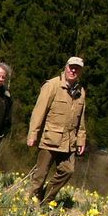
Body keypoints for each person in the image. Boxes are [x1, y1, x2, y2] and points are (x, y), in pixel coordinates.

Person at [27, 56, 88, 205]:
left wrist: (81, 139)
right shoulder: (52, 86)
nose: (73, 70)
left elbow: (81, 119)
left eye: (77, 68)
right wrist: (33, 134)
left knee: (68, 170)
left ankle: (47, 199)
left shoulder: (81, 91)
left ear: (80, 72)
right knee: (40, 174)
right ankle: (30, 202)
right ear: (65, 67)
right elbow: (38, 112)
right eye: (71, 67)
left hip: (69, 141)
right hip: (50, 138)